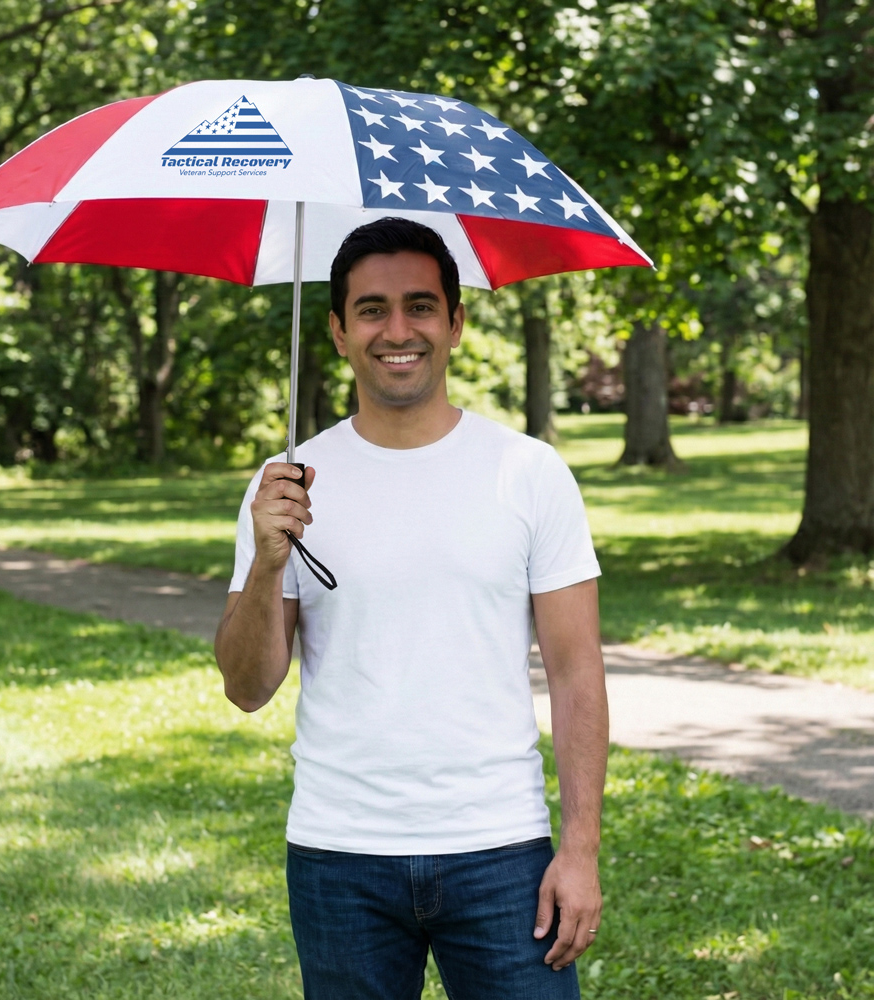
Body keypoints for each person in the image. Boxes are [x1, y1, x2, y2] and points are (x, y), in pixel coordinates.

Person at [215, 217, 609, 1000]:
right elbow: (247, 686)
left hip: (500, 849)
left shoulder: (529, 472)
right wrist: (267, 562)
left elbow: (576, 673)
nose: (398, 331)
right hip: (339, 853)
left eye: (420, 306)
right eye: (372, 309)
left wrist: (581, 850)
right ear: (337, 331)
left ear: (455, 323)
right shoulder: (286, 484)